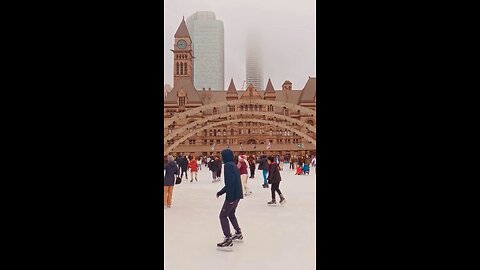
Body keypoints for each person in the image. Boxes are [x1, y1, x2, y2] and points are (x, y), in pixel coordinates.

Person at [216, 149, 244, 248]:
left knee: (223, 216)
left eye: (222, 155)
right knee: (231, 214)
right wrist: (221, 192)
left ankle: (228, 238)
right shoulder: (233, 165)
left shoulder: (228, 166)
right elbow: (233, 182)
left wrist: (230, 198)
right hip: (237, 195)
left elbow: (231, 183)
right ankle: (238, 232)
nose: (221, 158)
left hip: (232, 196)